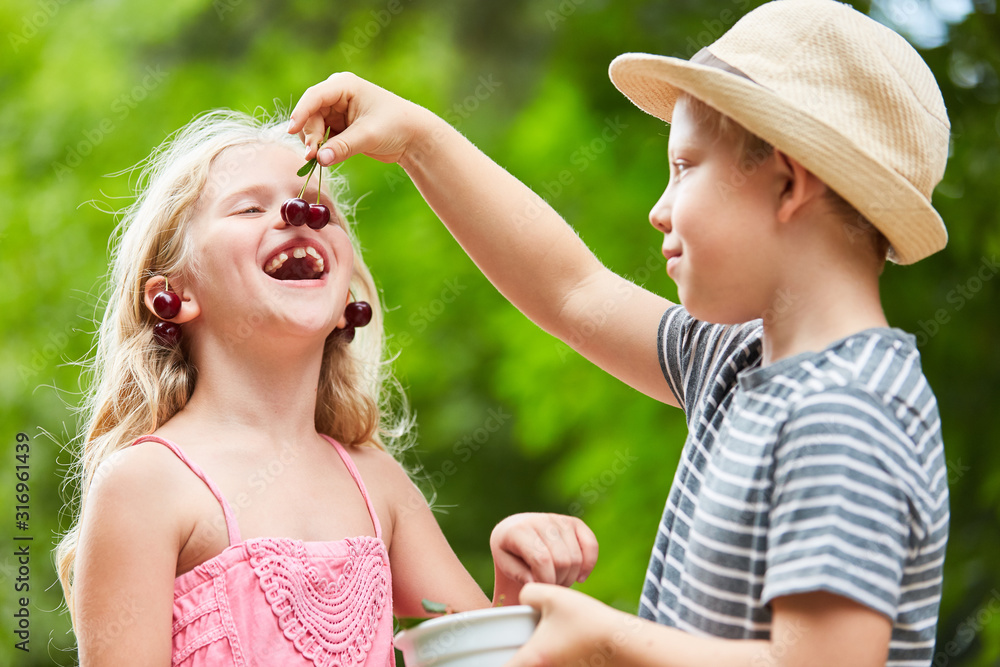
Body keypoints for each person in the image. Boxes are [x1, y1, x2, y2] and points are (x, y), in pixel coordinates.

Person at [285, 0, 951, 664]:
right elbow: (572, 290)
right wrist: (417, 140)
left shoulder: (848, 407)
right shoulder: (737, 362)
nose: (659, 211)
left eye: (685, 167)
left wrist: (607, 639)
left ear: (785, 181)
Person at [55, 109, 599, 666]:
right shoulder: (145, 484)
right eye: (249, 206)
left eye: (319, 209)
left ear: (346, 300)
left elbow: (488, 658)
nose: (299, 216)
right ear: (174, 295)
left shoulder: (374, 482)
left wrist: (516, 580)